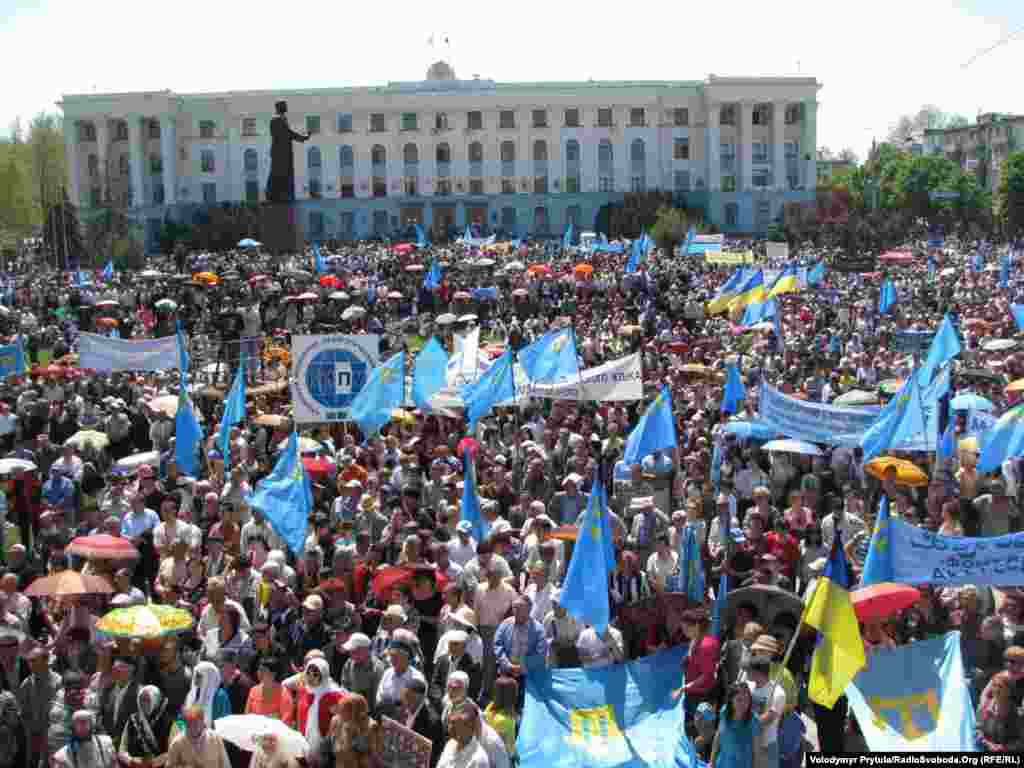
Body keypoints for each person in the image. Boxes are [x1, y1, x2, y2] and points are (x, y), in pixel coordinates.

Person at [119, 685, 175, 768]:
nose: (144, 704)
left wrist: (152, 763)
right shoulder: (132, 720)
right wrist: (131, 760)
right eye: (141, 700)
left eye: (147, 700)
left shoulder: (169, 723)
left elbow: (173, 752)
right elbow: (122, 749)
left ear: (156, 701)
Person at [711, 682, 760, 768]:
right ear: (731, 700)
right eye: (739, 700)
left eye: (746, 700)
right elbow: (718, 737)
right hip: (723, 763)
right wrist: (712, 762)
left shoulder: (753, 720)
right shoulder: (724, 712)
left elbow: (756, 751)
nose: (743, 704)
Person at [165, 704, 231, 768]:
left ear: (202, 721)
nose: (192, 728)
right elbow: (169, 765)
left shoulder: (215, 738)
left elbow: (225, 764)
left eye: (195, 723)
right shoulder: (177, 743)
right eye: (189, 724)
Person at [52, 709, 116, 768]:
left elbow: (114, 764)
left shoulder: (106, 743)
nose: (82, 727)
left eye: (85, 723)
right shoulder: (62, 755)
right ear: (73, 727)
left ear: (91, 725)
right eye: (78, 723)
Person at [245, 656, 294, 726]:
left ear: (274, 673)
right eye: (259, 670)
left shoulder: (284, 693)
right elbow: (247, 716)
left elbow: (286, 721)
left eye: (263, 670)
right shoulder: (253, 690)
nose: (259, 673)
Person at [436, 702, 489, 768]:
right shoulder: (450, 744)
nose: (449, 728)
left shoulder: (479, 760)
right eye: (450, 722)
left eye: (455, 724)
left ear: (469, 727)